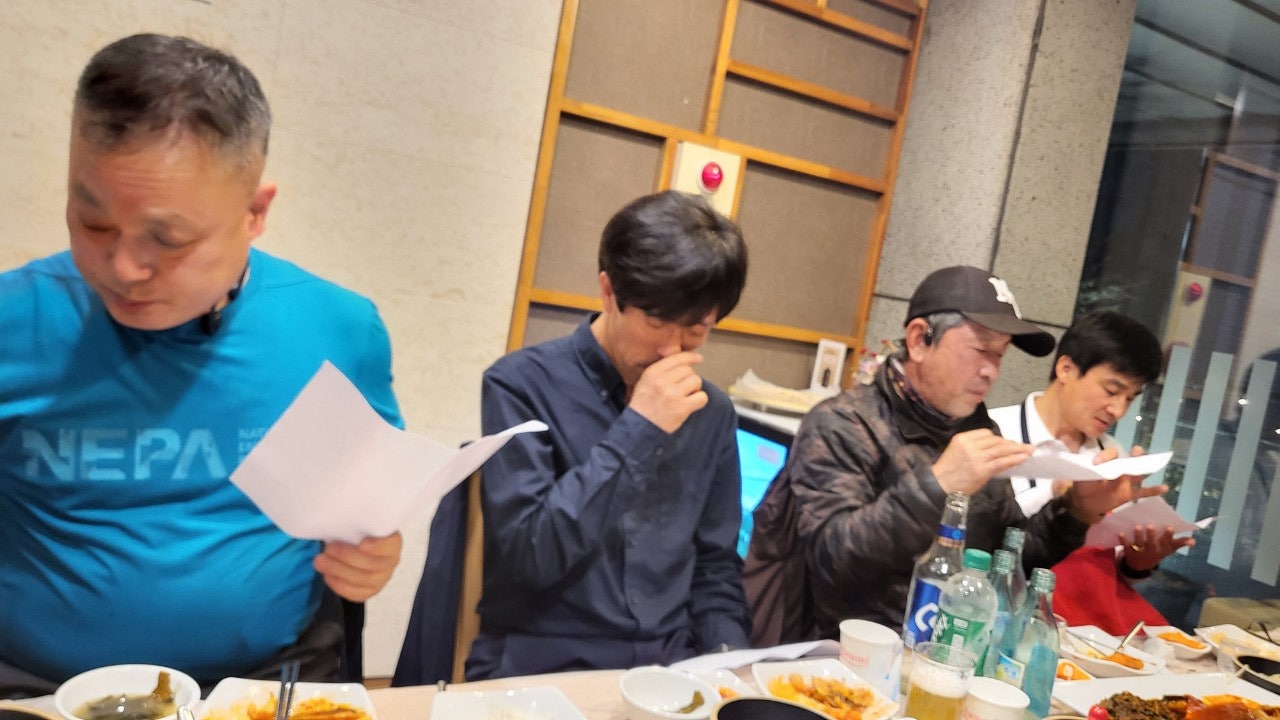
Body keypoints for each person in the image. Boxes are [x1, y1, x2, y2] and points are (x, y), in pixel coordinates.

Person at [0, 34, 402, 694]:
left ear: (255, 212)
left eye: (168, 239)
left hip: (261, 687)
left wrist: (373, 553)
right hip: (34, 689)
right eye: (93, 224)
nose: (124, 268)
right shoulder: (12, 320)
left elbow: (365, 505)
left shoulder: (341, 331)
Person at [744, 265, 1163, 644]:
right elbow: (831, 560)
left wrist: (1076, 513)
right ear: (919, 340)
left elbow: (1007, 561)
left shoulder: (977, 428)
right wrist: (937, 486)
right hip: (844, 656)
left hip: (951, 651)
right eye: (981, 350)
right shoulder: (843, 423)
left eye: (1000, 354)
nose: (991, 371)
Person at [466, 190, 751, 679]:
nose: (672, 350)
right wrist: (640, 428)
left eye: (697, 330)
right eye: (656, 320)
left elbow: (715, 567)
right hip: (543, 662)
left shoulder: (712, 413)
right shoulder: (518, 385)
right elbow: (529, 556)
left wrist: (730, 663)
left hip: (669, 666)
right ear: (608, 290)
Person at [989, 310, 1193, 633]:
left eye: (1130, 398)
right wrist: (1062, 498)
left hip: (1089, 632)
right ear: (1066, 369)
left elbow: (1107, 570)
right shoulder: (995, 433)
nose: (1119, 410)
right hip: (1005, 619)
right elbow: (980, 543)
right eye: (1111, 391)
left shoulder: (1113, 456)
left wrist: (1138, 562)